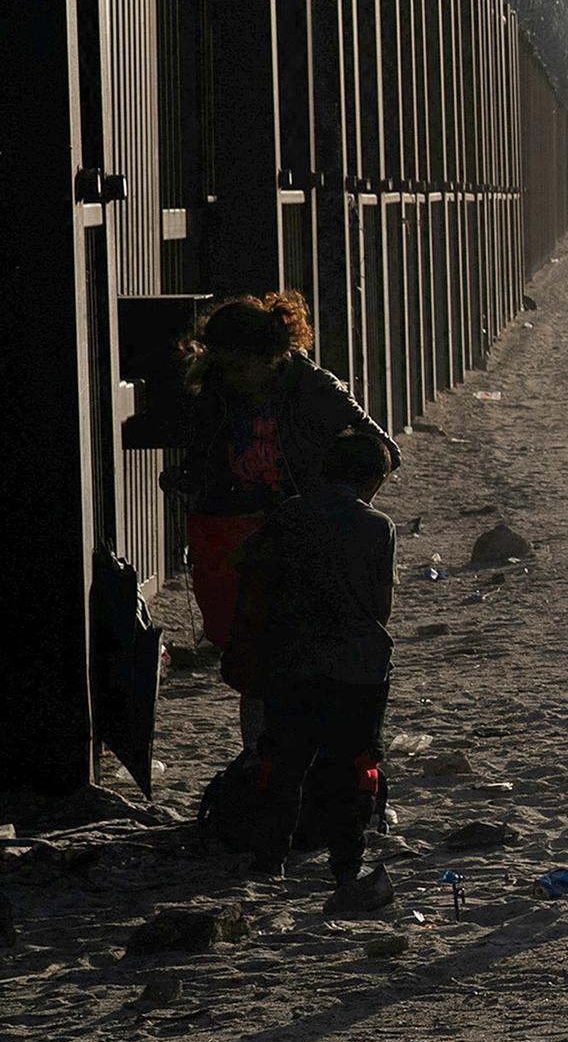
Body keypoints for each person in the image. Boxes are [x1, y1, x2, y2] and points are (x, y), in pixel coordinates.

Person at [164, 292, 393, 691]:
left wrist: (340, 508)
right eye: (221, 365)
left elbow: (384, 451)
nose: (230, 376)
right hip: (235, 530)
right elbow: (207, 453)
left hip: (299, 533)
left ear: (266, 356)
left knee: (287, 651)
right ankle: (261, 749)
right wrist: (188, 477)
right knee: (252, 656)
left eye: (238, 366)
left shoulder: (315, 388)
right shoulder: (217, 388)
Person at [222, 428, 401, 908]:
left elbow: (243, 562)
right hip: (357, 668)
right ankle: (346, 863)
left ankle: (269, 857)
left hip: (291, 660)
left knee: (283, 761)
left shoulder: (290, 516)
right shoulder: (377, 526)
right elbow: (380, 607)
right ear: (374, 480)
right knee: (355, 764)